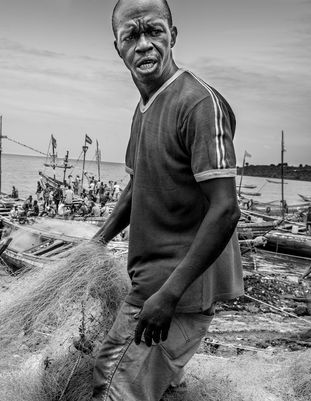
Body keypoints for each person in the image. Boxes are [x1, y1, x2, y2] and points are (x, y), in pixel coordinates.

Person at [90, 2, 243, 399]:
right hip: (153, 281)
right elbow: (137, 185)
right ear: (118, 47)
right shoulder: (143, 110)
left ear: (172, 36)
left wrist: (169, 296)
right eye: (132, 36)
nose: (144, 44)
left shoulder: (198, 104)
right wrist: (97, 241)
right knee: (156, 387)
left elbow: (225, 209)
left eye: (154, 31)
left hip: (173, 291)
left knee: (111, 383)